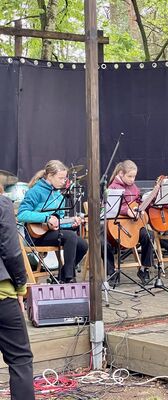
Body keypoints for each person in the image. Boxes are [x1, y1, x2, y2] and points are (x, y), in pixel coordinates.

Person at [18, 160, 88, 283]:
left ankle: (61, 277)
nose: (63, 182)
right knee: (71, 236)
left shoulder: (59, 196)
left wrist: (71, 223)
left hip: (52, 232)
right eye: (60, 178)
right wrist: (46, 218)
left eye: (64, 178)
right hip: (36, 236)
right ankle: (69, 277)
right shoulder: (35, 191)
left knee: (83, 245)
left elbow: (58, 222)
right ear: (50, 176)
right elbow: (22, 214)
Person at [0, 194, 35, 399]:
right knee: (20, 358)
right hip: (3, 295)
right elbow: (12, 252)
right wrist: (21, 286)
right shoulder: (2, 203)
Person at [105, 160, 154, 285]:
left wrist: (140, 208)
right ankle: (111, 272)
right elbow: (111, 207)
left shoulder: (133, 187)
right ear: (121, 173)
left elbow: (136, 200)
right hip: (116, 226)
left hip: (132, 226)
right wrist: (127, 211)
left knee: (148, 235)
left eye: (134, 176)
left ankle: (144, 268)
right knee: (102, 242)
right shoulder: (112, 187)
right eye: (130, 176)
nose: (132, 179)